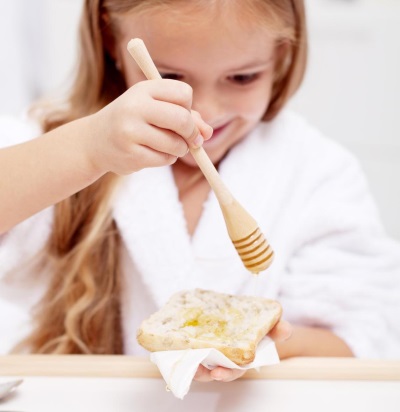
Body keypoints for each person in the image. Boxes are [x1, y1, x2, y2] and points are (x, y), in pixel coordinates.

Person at [1, 0, 399, 384]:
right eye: (170, 78)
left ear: (281, 51)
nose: (204, 112)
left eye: (243, 77)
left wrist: (258, 346)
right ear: (110, 38)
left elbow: (356, 344)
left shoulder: (319, 175)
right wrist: (87, 149)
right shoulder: (62, 147)